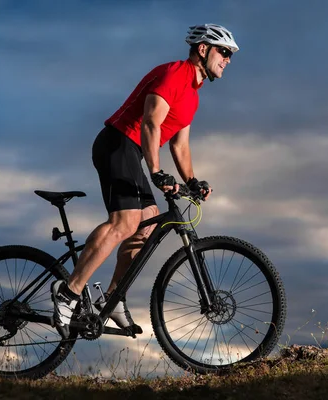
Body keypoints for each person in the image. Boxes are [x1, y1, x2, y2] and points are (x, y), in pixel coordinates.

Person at [50, 24, 240, 339]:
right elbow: (151, 122)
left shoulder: (192, 96)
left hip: (133, 151)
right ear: (203, 49)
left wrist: (192, 181)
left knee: (148, 225)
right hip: (117, 143)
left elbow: (180, 145)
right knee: (125, 223)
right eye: (224, 51)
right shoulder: (174, 74)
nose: (228, 59)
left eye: (230, 55)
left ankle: (111, 299)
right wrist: (155, 171)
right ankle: (68, 292)